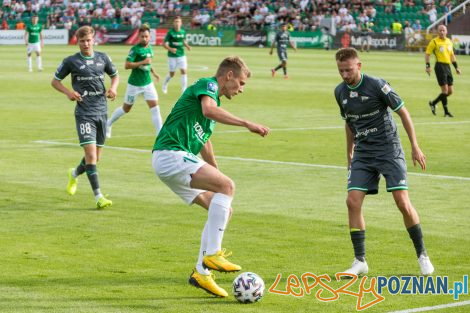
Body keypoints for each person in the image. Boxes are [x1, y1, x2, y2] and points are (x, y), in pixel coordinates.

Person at [152, 56, 269, 297]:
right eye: (241, 82)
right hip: (171, 153)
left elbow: (204, 141)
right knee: (228, 186)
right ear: (229, 76)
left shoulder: (209, 113)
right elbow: (209, 110)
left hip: (171, 160)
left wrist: (215, 170)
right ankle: (212, 254)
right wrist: (246, 123)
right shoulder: (209, 85)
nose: (241, 89)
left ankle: (201, 273)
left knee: (224, 207)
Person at [334, 47, 434, 277]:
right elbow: (349, 123)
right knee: (352, 201)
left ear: (359, 66)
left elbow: (403, 113)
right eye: (341, 70)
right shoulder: (340, 92)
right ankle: (360, 261)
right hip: (363, 153)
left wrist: (415, 146)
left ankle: (422, 255)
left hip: (389, 149)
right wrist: (349, 153)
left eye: (348, 70)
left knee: (401, 201)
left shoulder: (378, 85)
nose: (345, 75)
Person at [51, 26, 119, 209]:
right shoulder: (71, 61)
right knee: (90, 155)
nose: (86, 44)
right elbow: (55, 81)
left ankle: (73, 174)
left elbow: (115, 76)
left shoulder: (103, 58)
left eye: (88, 40)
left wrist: (113, 88)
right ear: (77, 41)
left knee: (95, 158)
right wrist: (68, 92)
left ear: (94, 39)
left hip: (101, 111)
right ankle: (99, 196)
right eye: (82, 41)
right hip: (84, 114)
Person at [106, 24, 162, 138]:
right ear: (138, 36)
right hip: (134, 85)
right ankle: (108, 123)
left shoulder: (150, 48)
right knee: (126, 109)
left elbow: (148, 63)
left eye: (146, 36)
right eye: (142, 36)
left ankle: (160, 136)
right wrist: (142, 62)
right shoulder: (135, 49)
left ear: (149, 36)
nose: (144, 39)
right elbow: (127, 65)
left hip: (148, 83)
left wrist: (154, 73)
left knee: (155, 108)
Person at [425, 24, 461, 117]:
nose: (442, 32)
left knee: (450, 91)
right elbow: (427, 54)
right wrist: (427, 66)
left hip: (447, 67)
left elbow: (452, 56)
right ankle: (446, 112)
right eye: (440, 30)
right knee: (445, 91)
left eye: (443, 30)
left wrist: (456, 67)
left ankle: (433, 103)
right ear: (438, 32)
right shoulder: (434, 42)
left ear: (446, 31)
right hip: (439, 66)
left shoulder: (449, 41)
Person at [161, 16, 191, 94]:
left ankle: (184, 90)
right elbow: (163, 44)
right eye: (176, 21)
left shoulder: (183, 32)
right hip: (172, 56)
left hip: (181, 55)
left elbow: (183, 41)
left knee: (184, 71)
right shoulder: (170, 32)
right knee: (172, 74)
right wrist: (171, 49)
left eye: (178, 21)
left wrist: (187, 46)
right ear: (173, 23)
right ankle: (165, 84)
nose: (177, 23)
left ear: (181, 23)